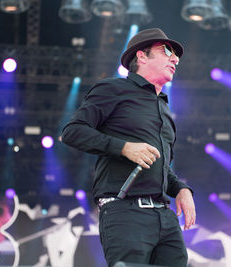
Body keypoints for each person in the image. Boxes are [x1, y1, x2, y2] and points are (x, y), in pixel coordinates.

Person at [62, 28, 196, 267]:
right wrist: (124, 148)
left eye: (176, 54)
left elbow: (160, 166)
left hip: (164, 216)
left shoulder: (164, 108)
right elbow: (72, 132)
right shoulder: (113, 89)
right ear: (142, 56)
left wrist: (182, 189)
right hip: (125, 211)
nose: (175, 59)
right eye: (167, 51)